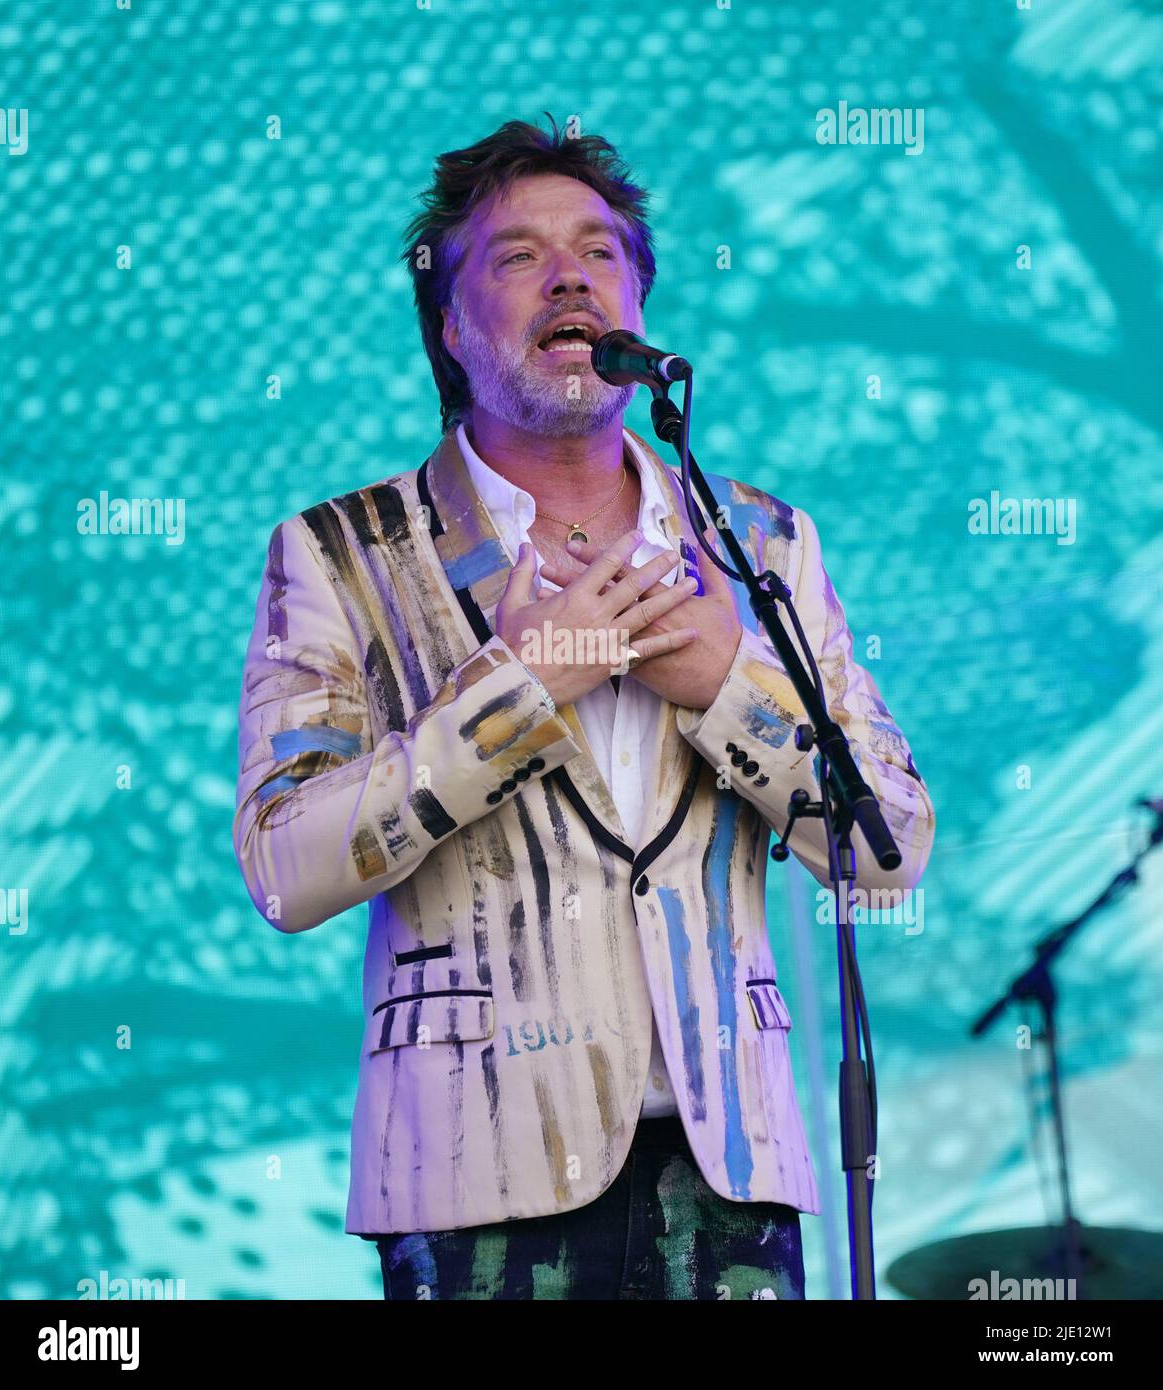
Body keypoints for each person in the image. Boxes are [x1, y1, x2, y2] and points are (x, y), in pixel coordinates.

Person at [232, 115, 935, 1300]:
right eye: (514, 257)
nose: (567, 275)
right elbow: (283, 866)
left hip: (732, 1177)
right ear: (451, 327)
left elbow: (888, 850)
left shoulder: (759, 543)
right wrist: (513, 692)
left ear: (638, 304)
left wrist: (726, 687)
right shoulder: (340, 553)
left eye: (598, 253)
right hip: (473, 1179)